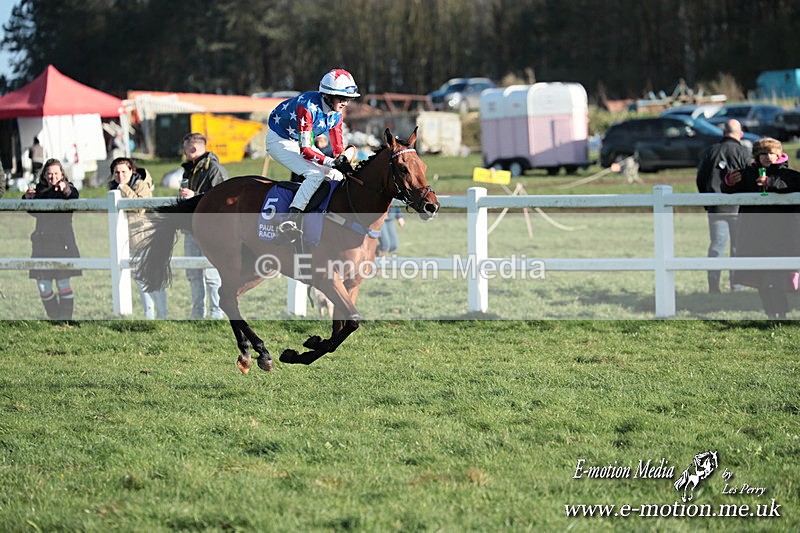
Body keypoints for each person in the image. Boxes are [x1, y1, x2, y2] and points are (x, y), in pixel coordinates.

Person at [265, 68, 360, 240]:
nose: (346, 103)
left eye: (348, 99)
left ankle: (324, 216)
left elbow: (338, 149)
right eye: (342, 98)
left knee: (335, 175)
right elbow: (306, 150)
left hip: (297, 141)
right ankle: (290, 220)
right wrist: (332, 162)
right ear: (327, 95)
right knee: (315, 175)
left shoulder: (336, 114)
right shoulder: (307, 107)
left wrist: (343, 163)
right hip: (279, 140)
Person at [722, 138, 800, 319]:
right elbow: (728, 189)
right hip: (755, 235)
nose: (767, 157)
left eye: (771, 153)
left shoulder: (788, 173)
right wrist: (729, 182)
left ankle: (782, 314)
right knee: (762, 279)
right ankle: (771, 314)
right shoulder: (748, 174)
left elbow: (792, 183)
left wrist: (770, 182)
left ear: (779, 154)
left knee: (778, 279)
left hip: (782, 236)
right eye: (763, 153)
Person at [695, 119, 753, 293]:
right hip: (738, 209)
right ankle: (736, 286)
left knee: (717, 246)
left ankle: (714, 286)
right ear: (740, 134)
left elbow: (700, 178)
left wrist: (707, 201)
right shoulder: (744, 153)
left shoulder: (711, 151)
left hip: (716, 207)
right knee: (737, 247)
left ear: (723, 132)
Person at [108, 157, 167, 319]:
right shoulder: (114, 189)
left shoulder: (140, 185)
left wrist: (123, 188)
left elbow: (140, 206)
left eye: (123, 172)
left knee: (154, 279)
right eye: (116, 172)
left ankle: (163, 315)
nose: (120, 175)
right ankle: (149, 315)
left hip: (145, 237)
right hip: (126, 240)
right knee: (140, 281)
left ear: (131, 171)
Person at [23, 159, 81, 321]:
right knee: (43, 287)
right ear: (44, 175)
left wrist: (65, 190)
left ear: (62, 174)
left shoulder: (68, 188)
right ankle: (55, 319)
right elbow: (33, 212)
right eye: (49, 173)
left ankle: (65, 320)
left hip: (62, 244)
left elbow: (74, 197)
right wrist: (27, 198)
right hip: (41, 244)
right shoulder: (39, 191)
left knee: (63, 284)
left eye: (56, 173)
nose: (52, 176)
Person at [179, 133, 228, 319]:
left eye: (185, 149)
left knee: (211, 272)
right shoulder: (189, 170)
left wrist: (195, 195)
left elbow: (221, 199)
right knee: (192, 272)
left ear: (192, 148)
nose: (183, 153)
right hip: (191, 227)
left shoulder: (214, 169)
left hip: (210, 230)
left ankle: (217, 313)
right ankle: (197, 313)